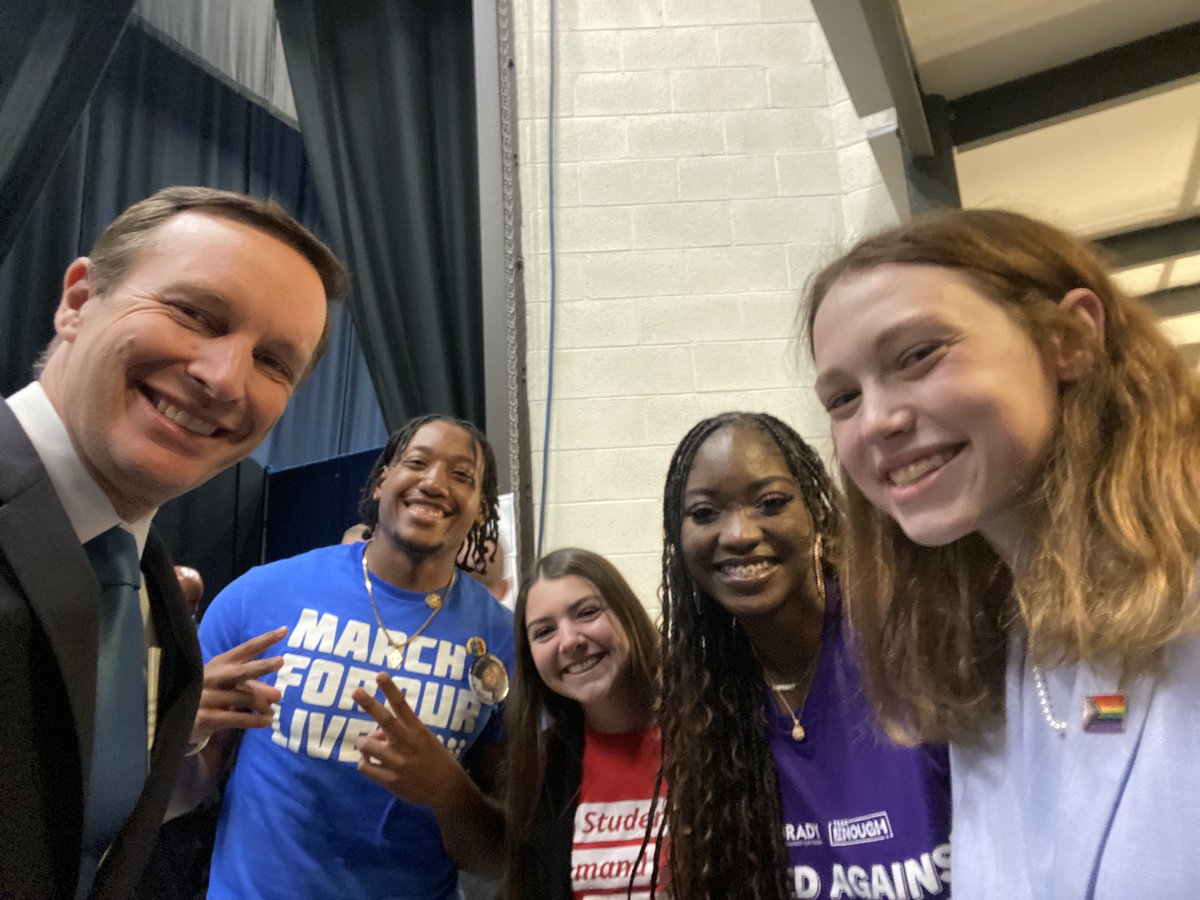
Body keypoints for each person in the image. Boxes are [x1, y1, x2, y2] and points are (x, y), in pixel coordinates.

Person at [804, 208, 1200, 898]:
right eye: (843, 398)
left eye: (918, 355)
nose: (877, 421)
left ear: (1070, 338)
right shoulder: (990, 648)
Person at [0, 186, 344, 899]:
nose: (223, 379)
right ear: (77, 301)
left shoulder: (151, 600)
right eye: (194, 314)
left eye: (274, 362)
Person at [197, 414, 515, 899]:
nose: (433, 483)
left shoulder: (503, 640)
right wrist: (188, 730)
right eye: (417, 462)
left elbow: (496, 855)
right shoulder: (258, 597)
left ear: (480, 507)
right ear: (384, 477)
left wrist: (450, 793)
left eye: (461, 476)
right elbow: (180, 793)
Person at [653, 412, 951, 899]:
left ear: (813, 509)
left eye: (770, 503)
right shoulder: (709, 704)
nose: (738, 533)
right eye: (705, 513)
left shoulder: (908, 640)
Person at [505, 547, 662, 900]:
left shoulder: (709, 735)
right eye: (544, 632)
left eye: (587, 613)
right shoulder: (542, 766)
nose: (570, 641)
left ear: (627, 614)